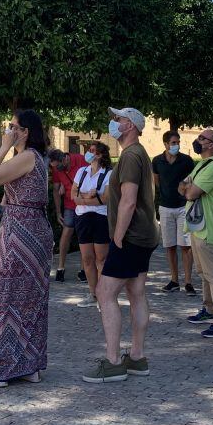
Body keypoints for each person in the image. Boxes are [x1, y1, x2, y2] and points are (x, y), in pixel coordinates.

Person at [0, 110, 53, 387]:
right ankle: (26, 364)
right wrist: (3, 208)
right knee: (29, 299)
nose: (8, 129)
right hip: (31, 228)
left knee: (5, 297)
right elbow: (20, 194)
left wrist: (4, 145)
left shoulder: (27, 156)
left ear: (25, 131)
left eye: (13, 126)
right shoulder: (36, 158)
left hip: (21, 234)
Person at [83, 107, 159, 382]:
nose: (113, 123)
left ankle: (114, 362)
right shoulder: (138, 153)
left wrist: (117, 236)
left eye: (118, 119)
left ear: (130, 125)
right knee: (136, 291)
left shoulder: (130, 155)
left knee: (105, 293)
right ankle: (137, 358)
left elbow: (129, 199)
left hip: (130, 236)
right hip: (144, 235)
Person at [181, 129, 213, 338]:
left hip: (208, 227)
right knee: (204, 273)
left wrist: (189, 188)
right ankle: (209, 309)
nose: (197, 140)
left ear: (212, 144)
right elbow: (182, 188)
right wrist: (188, 188)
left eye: (202, 138)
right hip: (197, 227)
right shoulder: (201, 164)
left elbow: (190, 192)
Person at [152, 131, 196, 294]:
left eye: (178, 142)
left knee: (185, 246)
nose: (176, 145)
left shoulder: (186, 160)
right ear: (165, 144)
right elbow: (156, 182)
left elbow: (193, 180)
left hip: (183, 207)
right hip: (165, 207)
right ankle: (174, 280)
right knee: (169, 245)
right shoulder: (157, 161)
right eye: (173, 142)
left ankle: (188, 282)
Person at [72, 142, 113, 308]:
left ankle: (104, 295)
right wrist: (89, 197)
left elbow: (105, 199)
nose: (89, 153)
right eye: (89, 150)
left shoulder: (109, 173)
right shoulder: (82, 171)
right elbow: (72, 195)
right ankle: (93, 293)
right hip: (82, 218)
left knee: (101, 259)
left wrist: (83, 199)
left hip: (100, 218)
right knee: (87, 259)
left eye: (93, 151)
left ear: (100, 155)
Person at [48, 148, 88, 282]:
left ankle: (84, 269)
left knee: (84, 236)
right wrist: (58, 211)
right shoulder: (57, 168)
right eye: (54, 167)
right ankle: (60, 268)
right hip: (69, 205)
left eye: (58, 166)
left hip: (84, 203)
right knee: (66, 234)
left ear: (65, 158)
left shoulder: (81, 160)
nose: (57, 170)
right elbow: (55, 189)